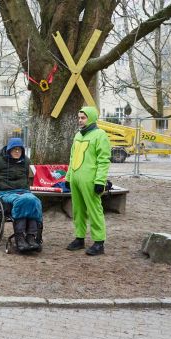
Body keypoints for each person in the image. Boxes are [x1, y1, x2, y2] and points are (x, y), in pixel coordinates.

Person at [0, 137, 42, 252]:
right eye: (14, 149)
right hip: (4, 193)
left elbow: (29, 178)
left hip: (23, 192)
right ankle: (19, 238)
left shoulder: (26, 161)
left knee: (35, 201)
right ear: (9, 149)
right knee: (23, 201)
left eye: (19, 149)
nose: (17, 152)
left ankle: (31, 237)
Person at [66, 106, 111, 256]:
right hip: (76, 179)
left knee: (94, 210)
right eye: (79, 118)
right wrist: (68, 177)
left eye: (83, 118)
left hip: (90, 180)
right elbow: (72, 158)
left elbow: (103, 160)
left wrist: (100, 181)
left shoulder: (100, 135)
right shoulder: (78, 135)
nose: (80, 120)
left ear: (91, 118)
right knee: (77, 210)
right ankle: (79, 238)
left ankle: (99, 242)